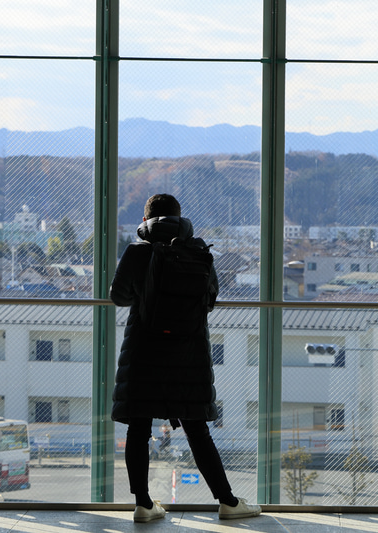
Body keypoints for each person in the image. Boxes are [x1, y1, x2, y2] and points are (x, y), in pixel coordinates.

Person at [110, 193, 261, 523]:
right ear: (180, 217)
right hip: (188, 354)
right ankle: (228, 501)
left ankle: (144, 504)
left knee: (139, 426)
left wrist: (145, 293)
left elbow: (118, 296)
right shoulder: (198, 253)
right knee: (196, 429)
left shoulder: (137, 252)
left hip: (144, 350)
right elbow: (210, 301)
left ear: (146, 220)